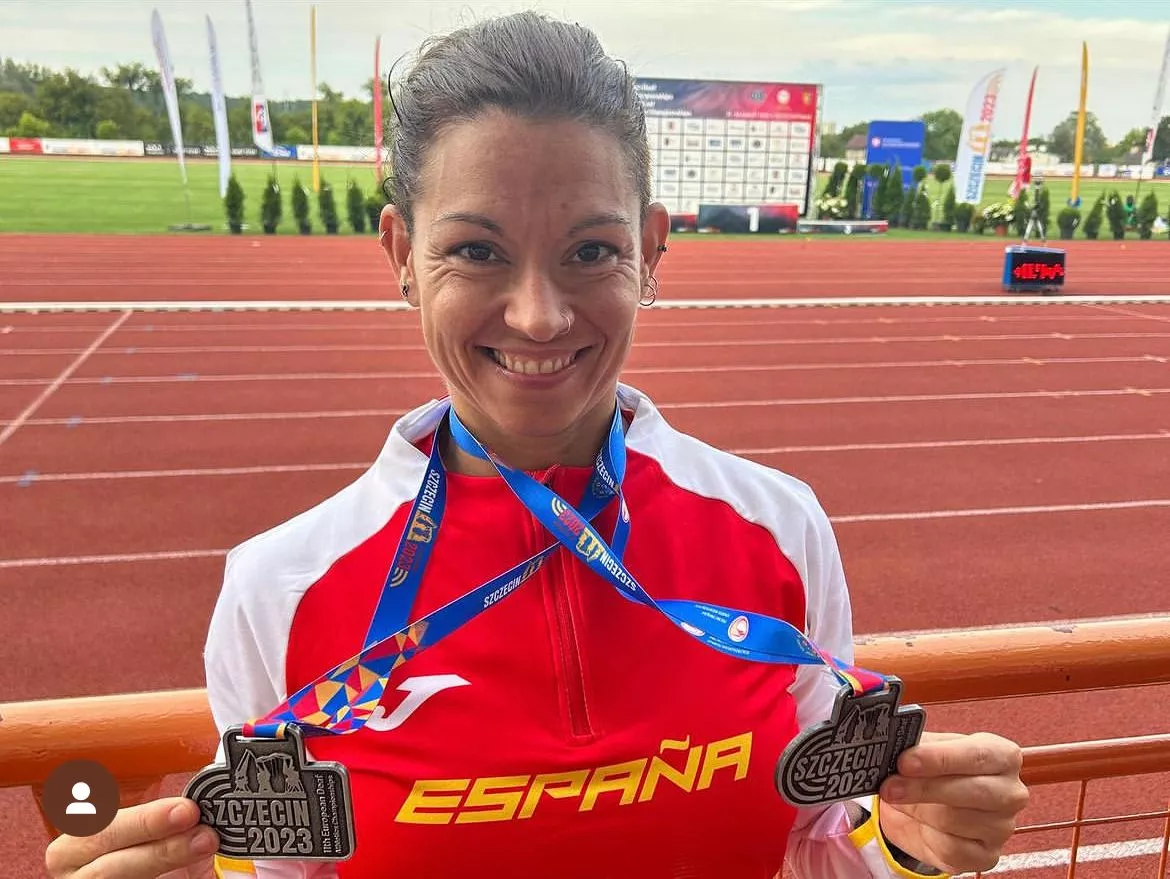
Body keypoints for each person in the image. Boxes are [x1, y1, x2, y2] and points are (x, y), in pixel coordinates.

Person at [45, 12, 1028, 879]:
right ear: (402, 255)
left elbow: (818, 845)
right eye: (476, 251)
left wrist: (910, 850)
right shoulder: (281, 590)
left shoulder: (778, 529)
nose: (540, 315)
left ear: (652, 250)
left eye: (591, 251)